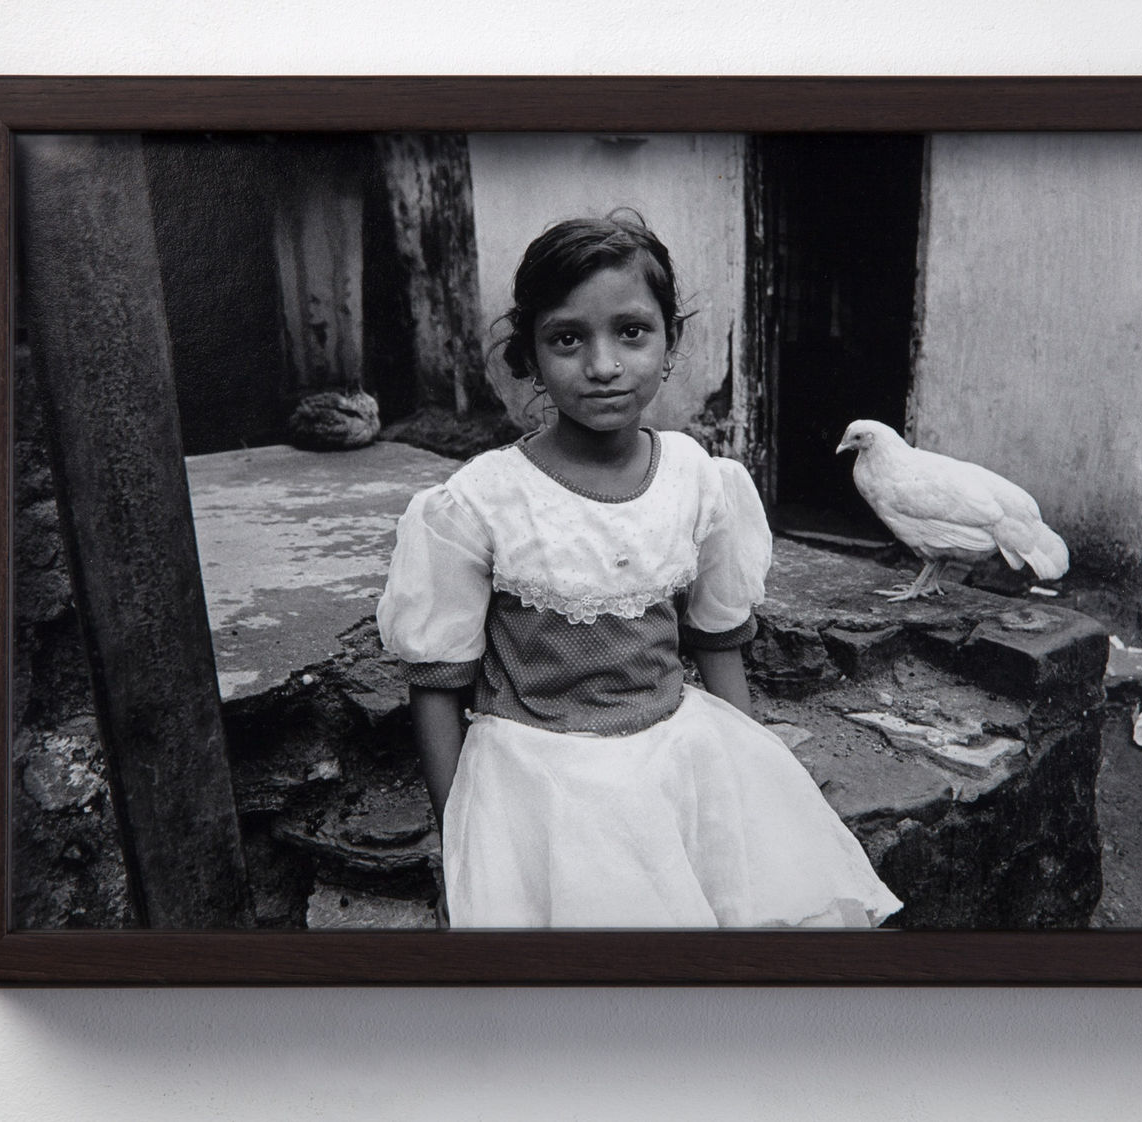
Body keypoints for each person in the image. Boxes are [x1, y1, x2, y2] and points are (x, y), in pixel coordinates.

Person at [377, 212, 901, 928]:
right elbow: (437, 683)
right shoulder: (480, 502)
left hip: (677, 756)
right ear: (528, 354)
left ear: (669, 341)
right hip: (544, 782)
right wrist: (459, 841)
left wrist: (745, 788)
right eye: (567, 338)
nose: (602, 365)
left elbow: (718, 636)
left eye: (631, 332)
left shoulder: (698, 479)